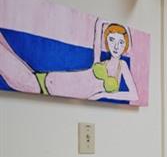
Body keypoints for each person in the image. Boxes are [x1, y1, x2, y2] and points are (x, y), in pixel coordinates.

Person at [0, 20, 139, 104]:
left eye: (121, 42)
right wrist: (103, 22)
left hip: (45, 87)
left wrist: (103, 95)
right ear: (107, 42)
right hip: (47, 84)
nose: (116, 46)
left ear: (126, 45)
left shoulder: (123, 66)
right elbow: (98, 30)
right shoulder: (99, 60)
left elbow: (134, 95)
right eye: (112, 40)